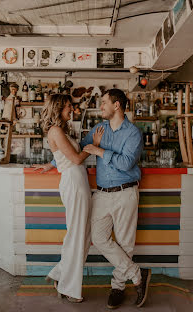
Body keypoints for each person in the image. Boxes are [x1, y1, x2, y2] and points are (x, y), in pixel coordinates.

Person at [35, 89, 151, 309]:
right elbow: (75, 151)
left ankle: (118, 287)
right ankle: (137, 274)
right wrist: (53, 163)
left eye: (105, 102)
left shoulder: (133, 132)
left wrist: (99, 151)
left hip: (126, 192)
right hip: (102, 193)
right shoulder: (99, 129)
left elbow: (125, 163)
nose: (101, 106)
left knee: (125, 243)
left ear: (117, 105)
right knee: (96, 238)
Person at [38, 93, 104, 303]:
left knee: (83, 235)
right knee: (76, 236)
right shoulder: (56, 130)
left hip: (79, 182)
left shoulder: (61, 130)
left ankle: (60, 274)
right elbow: (75, 159)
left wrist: (51, 163)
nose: (71, 109)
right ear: (58, 108)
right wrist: (92, 146)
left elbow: (64, 156)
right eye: (68, 106)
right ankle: (69, 287)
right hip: (74, 184)